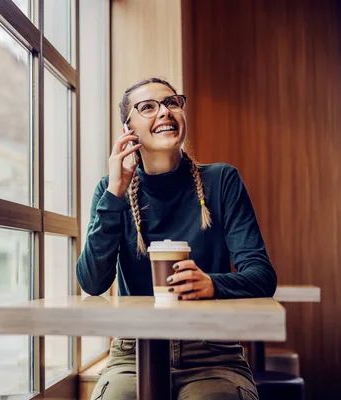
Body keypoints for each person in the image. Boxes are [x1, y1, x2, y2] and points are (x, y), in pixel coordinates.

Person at [76, 78, 277, 400]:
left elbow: (262, 276)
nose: (164, 112)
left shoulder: (223, 180)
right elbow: (93, 282)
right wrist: (115, 191)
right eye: (148, 107)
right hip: (132, 353)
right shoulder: (110, 189)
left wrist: (212, 284)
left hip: (213, 353)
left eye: (172, 103)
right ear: (129, 130)